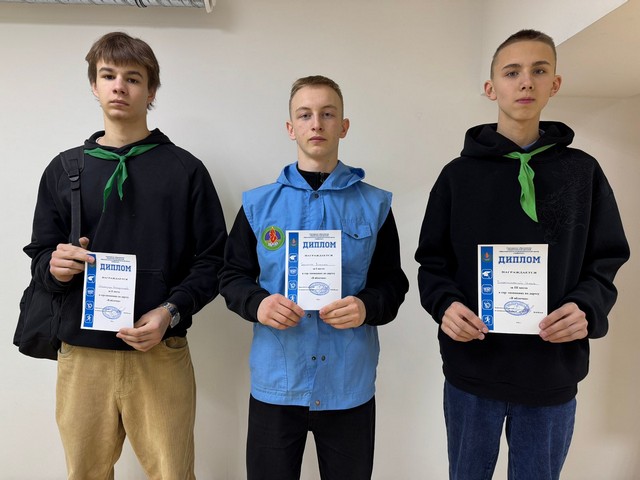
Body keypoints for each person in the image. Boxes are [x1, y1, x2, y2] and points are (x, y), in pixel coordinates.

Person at [415, 29, 630, 480]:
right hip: (473, 368)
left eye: (539, 70)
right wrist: (445, 306)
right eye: (512, 72)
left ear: (555, 84)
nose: (526, 82)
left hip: (551, 371)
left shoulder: (583, 172)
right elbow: (432, 262)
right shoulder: (457, 176)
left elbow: (606, 260)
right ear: (491, 87)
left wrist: (586, 308)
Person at [24, 32, 227, 479]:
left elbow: (214, 261)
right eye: (108, 75)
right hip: (82, 355)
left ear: (151, 91)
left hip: (160, 351)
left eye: (133, 78)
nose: (119, 86)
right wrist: (55, 267)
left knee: (173, 474)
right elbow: (40, 254)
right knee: (84, 474)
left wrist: (170, 311)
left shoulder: (185, 170)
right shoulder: (64, 169)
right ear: (94, 86)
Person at [219, 75, 408, 480]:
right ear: (291, 128)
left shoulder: (374, 204)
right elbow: (232, 276)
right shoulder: (257, 205)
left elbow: (393, 284)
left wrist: (365, 306)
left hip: (348, 385)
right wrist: (259, 304)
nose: (316, 124)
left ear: (344, 126)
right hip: (276, 381)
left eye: (327, 114)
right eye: (305, 115)